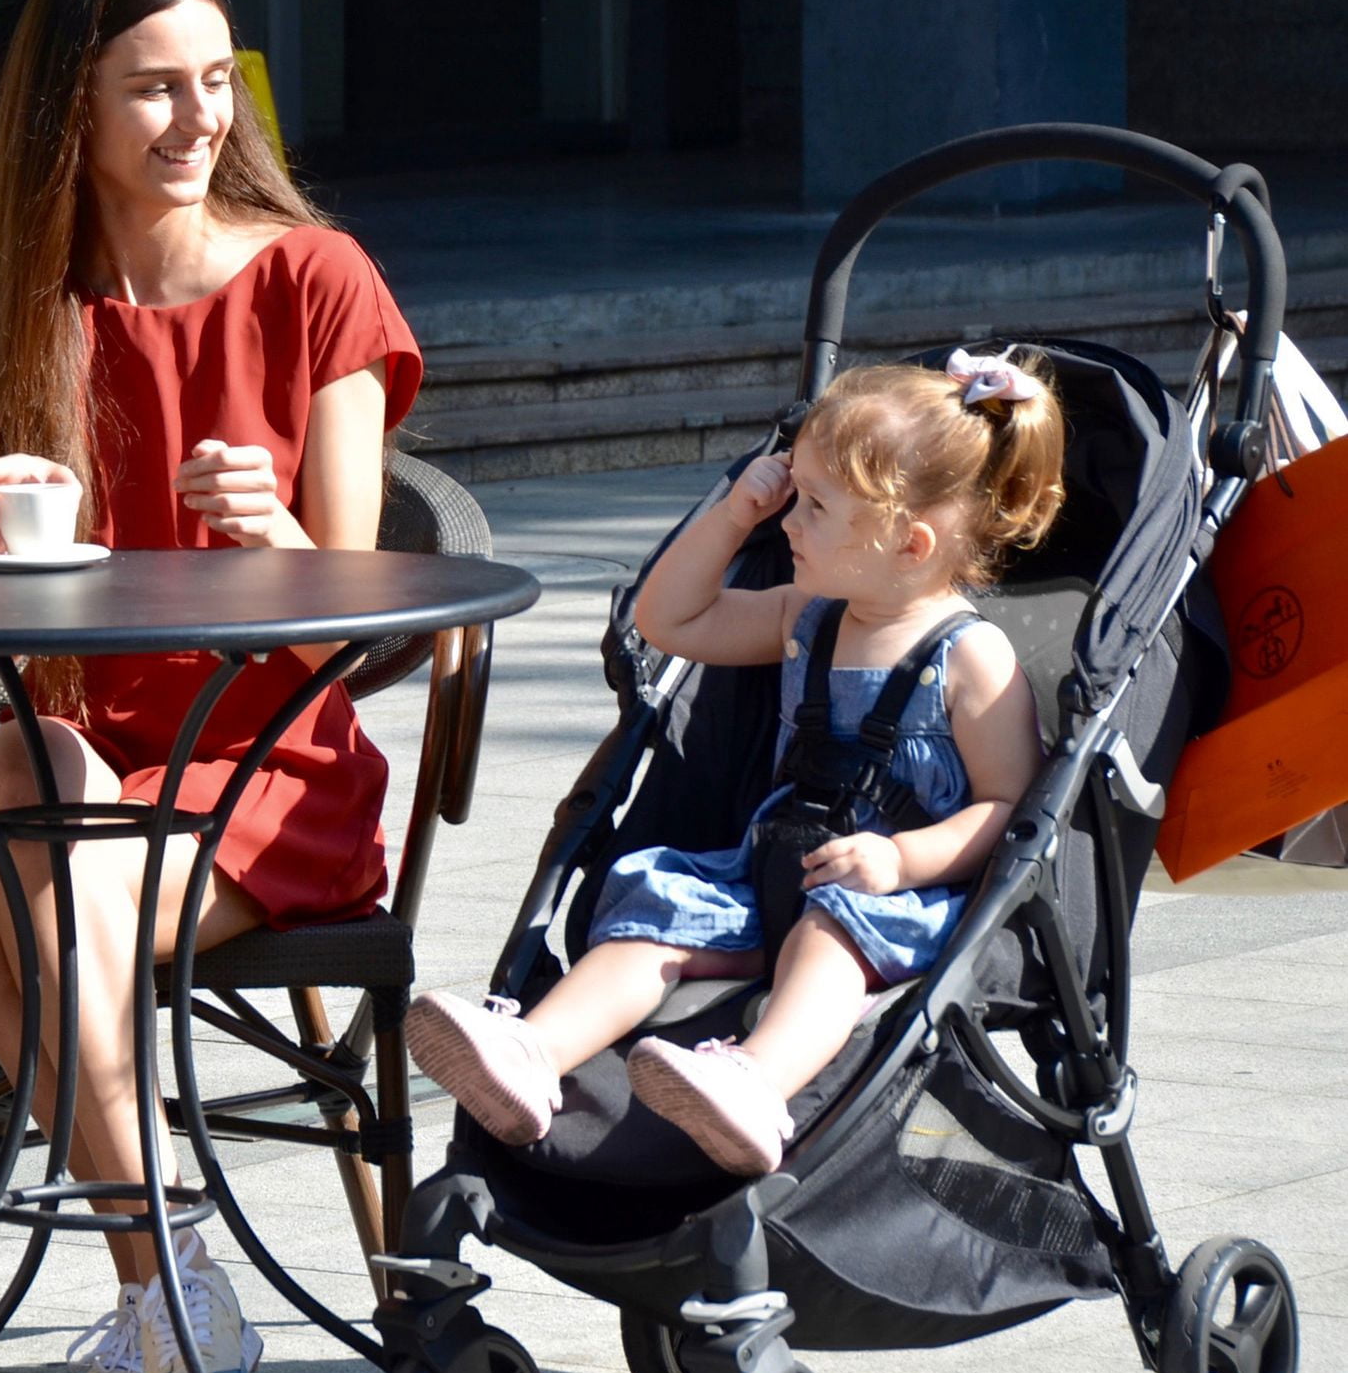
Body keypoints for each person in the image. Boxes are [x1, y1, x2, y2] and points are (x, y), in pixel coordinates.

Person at [0, 0, 421, 1373]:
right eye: (153, 88)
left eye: (216, 80)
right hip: (73, 760)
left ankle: (166, 1299)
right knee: (30, 788)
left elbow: (349, 628)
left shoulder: (317, 280)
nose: (200, 118)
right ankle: (180, 1287)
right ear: (67, 109)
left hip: (267, 769)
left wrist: (281, 538)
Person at [406, 350, 1064, 1178]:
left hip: (893, 902)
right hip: (769, 872)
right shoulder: (807, 617)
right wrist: (732, 515)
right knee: (656, 922)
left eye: (816, 507)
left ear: (909, 543)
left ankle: (756, 1082)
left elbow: (1009, 808)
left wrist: (902, 859)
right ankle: (532, 1052)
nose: (790, 523)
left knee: (830, 937)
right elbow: (670, 622)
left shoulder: (971, 659)